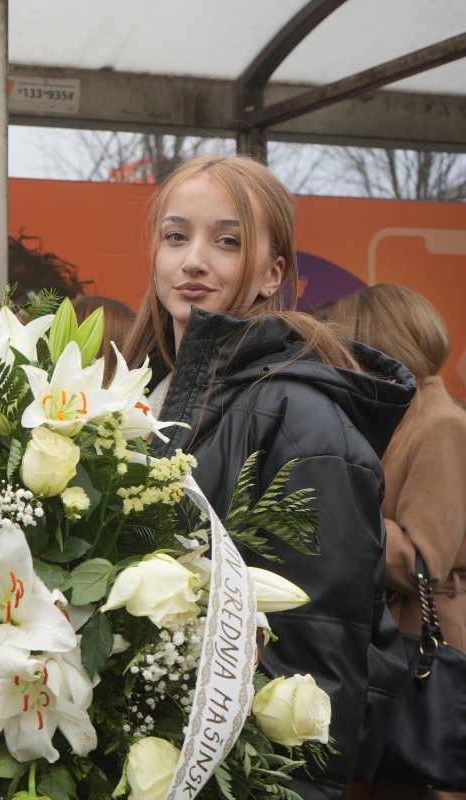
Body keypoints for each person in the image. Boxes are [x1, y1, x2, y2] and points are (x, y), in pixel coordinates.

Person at [121, 155, 415, 799]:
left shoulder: (305, 418)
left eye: (228, 241)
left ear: (271, 273)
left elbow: (317, 662)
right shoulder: (135, 397)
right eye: (176, 236)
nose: (194, 260)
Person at [323, 284, 466, 800]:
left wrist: (335, 513)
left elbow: (424, 559)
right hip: (396, 643)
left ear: (379, 343)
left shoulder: (441, 422)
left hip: (421, 645)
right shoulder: (409, 417)